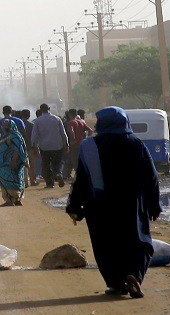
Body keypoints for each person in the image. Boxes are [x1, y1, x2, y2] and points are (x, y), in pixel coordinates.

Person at [66, 107, 161, 299]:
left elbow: (82, 180)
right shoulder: (136, 144)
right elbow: (151, 177)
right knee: (139, 241)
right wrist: (154, 204)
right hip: (132, 203)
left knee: (106, 245)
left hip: (99, 205)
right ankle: (134, 274)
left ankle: (116, 283)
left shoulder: (88, 145)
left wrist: (74, 206)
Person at [31, 103, 69, 188]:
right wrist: (66, 144)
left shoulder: (38, 121)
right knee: (57, 163)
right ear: (49, 108)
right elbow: (63, 133)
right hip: (57, 145)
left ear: (40, 110)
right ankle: (58, 174)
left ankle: (49, 183)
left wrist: (34, 146)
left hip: (44, 147)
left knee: (46, 164)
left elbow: (34, 135)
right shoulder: (57, 119)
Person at [0, 119, 28, 207]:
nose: (4, 127)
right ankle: (16, 199)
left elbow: (18, 149)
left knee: (11, 180)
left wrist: (13, 161)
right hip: (5, 163)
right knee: (14, 180)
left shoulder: (14, 136)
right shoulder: (7, 136)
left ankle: (10, 200)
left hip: (10, 163)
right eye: (3, 125)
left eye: (6, 125)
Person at [64, 109, 94, 181]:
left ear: (69, 114)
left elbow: (71, 131)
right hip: (82, 144)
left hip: (75, 145)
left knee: (75, 161)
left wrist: (73, 140)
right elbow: (90, 130)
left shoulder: (70, 123)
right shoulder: (81, 122)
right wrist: (86, 139)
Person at [20, 109, 38, 187]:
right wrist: (36, 147)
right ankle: (32, 180)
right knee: (31, 164)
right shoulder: (32, 125)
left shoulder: (18, 124)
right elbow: (34, 137)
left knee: (22, 165)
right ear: (29, 115)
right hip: (30, 147)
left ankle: (24, 181)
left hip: (20, 147)